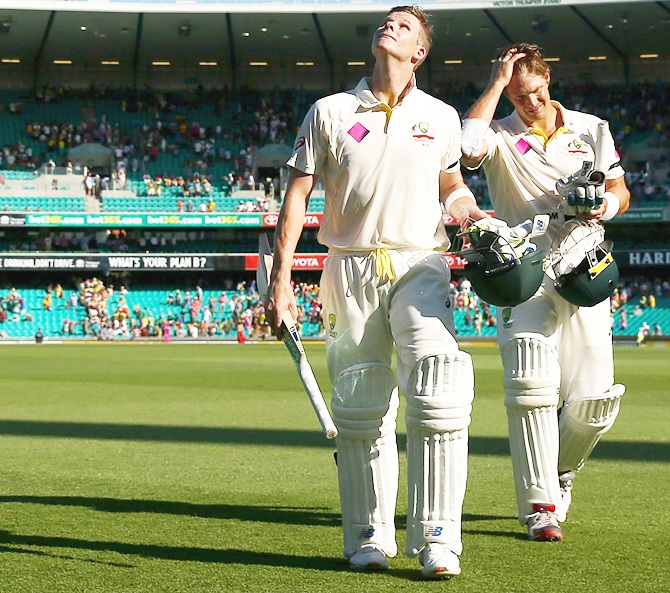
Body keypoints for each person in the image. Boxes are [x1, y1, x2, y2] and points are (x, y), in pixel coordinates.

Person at [264, 5, 487, 578]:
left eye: (405, 26)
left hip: (422, 261)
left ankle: (438, 538)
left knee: (438, 383)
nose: (391, 25)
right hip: (350, 265)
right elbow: (297, 196)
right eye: (387, 20)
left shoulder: (439, 116)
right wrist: (283, 278)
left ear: (420, 52)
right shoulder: (331, 112)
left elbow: (452, 185)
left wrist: (468, 211)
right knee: (362, 404)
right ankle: (368, 534)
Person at [461, 43, 631, 542]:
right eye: (517, 97)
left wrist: (604, 209)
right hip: (524, 274)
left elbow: (620, 190)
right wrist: (496, 84)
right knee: (531, 384)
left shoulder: (591, 128)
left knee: (595, 403)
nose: (529, 104)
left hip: (584, 269)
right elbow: (468, 149)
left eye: (534, 92)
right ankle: (540, 507)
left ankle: (559, 472)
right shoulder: (497, 132)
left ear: (548, 80)